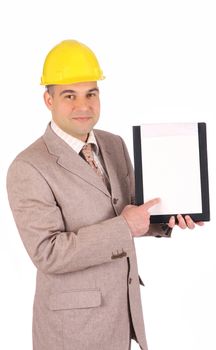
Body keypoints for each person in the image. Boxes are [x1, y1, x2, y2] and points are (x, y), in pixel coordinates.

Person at [7, 39, 203, 350]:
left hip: (121, 316)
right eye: (69, 95)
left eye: (91, 94)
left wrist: (166, 218)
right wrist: (125, 226)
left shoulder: (114, 145)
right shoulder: (29, 167)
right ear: (48, 99)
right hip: (70, 330)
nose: (83, 106)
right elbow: (49, 253)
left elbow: (128, 212)